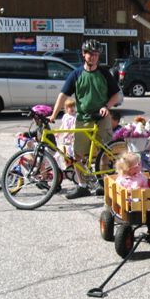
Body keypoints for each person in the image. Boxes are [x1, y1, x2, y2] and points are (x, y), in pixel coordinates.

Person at [49, 39, 120, 199]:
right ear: (83, 54)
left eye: (95, 54)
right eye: (89, 54)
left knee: (105, 152)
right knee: (77, 155)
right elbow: (63, 95)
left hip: (102, 117)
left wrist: (107, 106)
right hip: (83, 118)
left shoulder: (104, 73)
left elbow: (116, 94)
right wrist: (53, 115)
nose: (92, 57)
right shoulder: (76, 74)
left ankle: (104, 183)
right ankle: (82, 185)